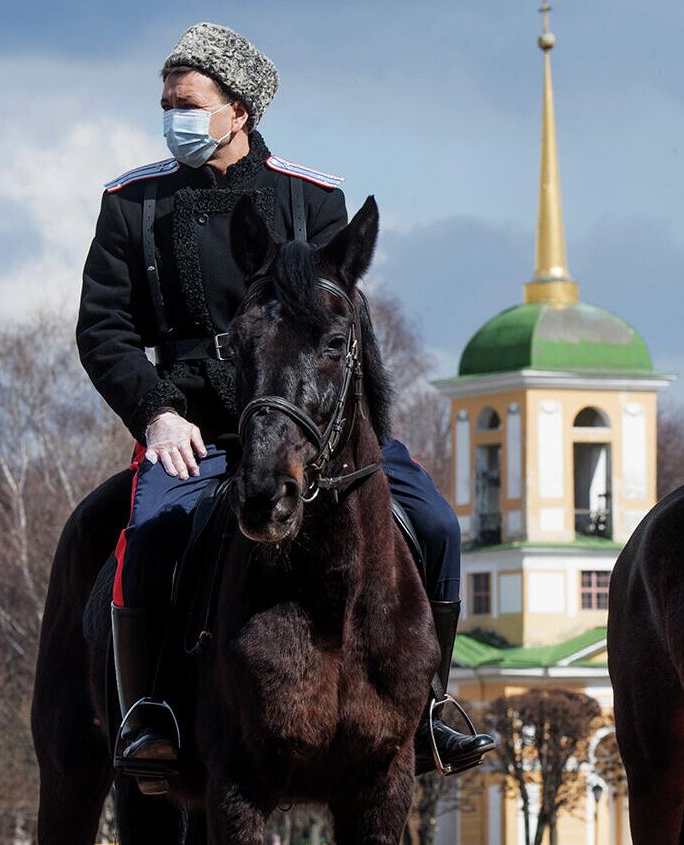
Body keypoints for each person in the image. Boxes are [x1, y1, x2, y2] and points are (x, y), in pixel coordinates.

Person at [77, 22, 492, 790]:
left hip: (317, 427)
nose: (173, 116)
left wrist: (364, 433)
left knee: (434, 521)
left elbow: (350, 334)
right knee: (150, 539)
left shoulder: (313, 198)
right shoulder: (131, 204)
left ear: (238, 109)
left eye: (188, 102)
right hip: (194, 430)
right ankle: (152, 713)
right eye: (166, 102)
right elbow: (102, 330)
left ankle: (429, 707)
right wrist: (158, 414)